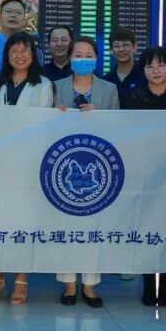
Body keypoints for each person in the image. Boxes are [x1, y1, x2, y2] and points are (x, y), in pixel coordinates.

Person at [0, 32, 54, 305]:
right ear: (7, 55)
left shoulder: (43, 84)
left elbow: (41, 122)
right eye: (14, 51)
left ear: (33, 55)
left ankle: (21, 277)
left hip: (27, 163)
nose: (19, 55)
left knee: (24, 222)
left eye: (25, 50)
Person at [52, 36, 118, 308]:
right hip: (63, 164)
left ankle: (90, 285)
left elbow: (121, 125)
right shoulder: (55, 86)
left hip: (98, 165)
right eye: (77, 55)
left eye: (88, 54)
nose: (83, 59)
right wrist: (54, 113)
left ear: (97, 58)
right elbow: (42, 124)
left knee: (93, 225)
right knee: (65, 223)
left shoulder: (109, 89)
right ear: (69, 58)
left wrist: (100, 114)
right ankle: (68, 284)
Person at [126, 47, 166, 308]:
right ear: (143, 70)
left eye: (161, 65)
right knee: (145, 229)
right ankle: (147, 286)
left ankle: (164, 286)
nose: (155, 70)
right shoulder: (134, 97)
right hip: (142, 172)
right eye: (149, 66)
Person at [102, 27, 147, 118]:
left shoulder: (145, 75)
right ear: (111, 50)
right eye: (117, 46)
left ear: (134, 47)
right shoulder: (106, 80)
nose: (121, 49)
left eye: (125, 45)